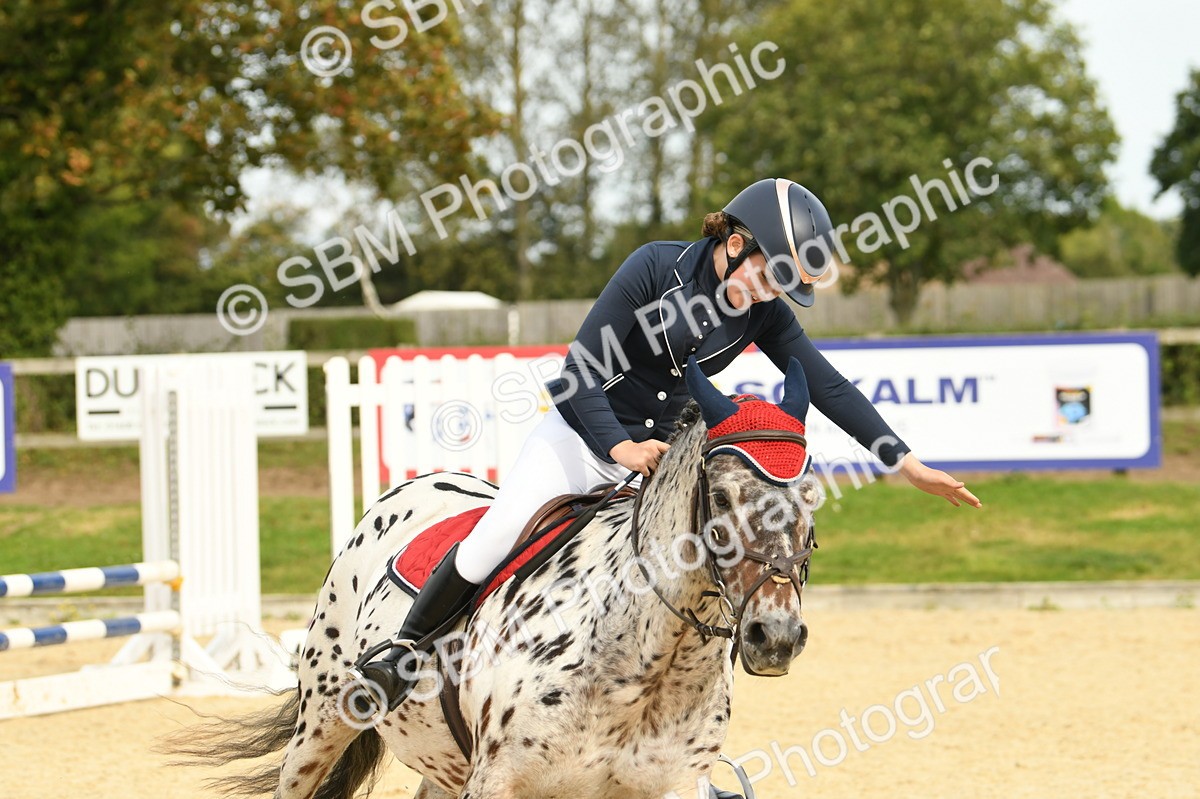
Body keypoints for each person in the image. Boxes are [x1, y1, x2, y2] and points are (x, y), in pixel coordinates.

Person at [356, 178, 982, 709]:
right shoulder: (654, 268)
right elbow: (577, 374)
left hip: (664, 462)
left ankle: (687, 735)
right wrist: (620, 449)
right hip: (582, 438)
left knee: (704, 571)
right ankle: (403, 654)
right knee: (497, 534)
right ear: (735, 243)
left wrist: (906, 462)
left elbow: (828, 385)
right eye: (771, 275)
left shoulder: (764, 311)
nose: (773, 293)